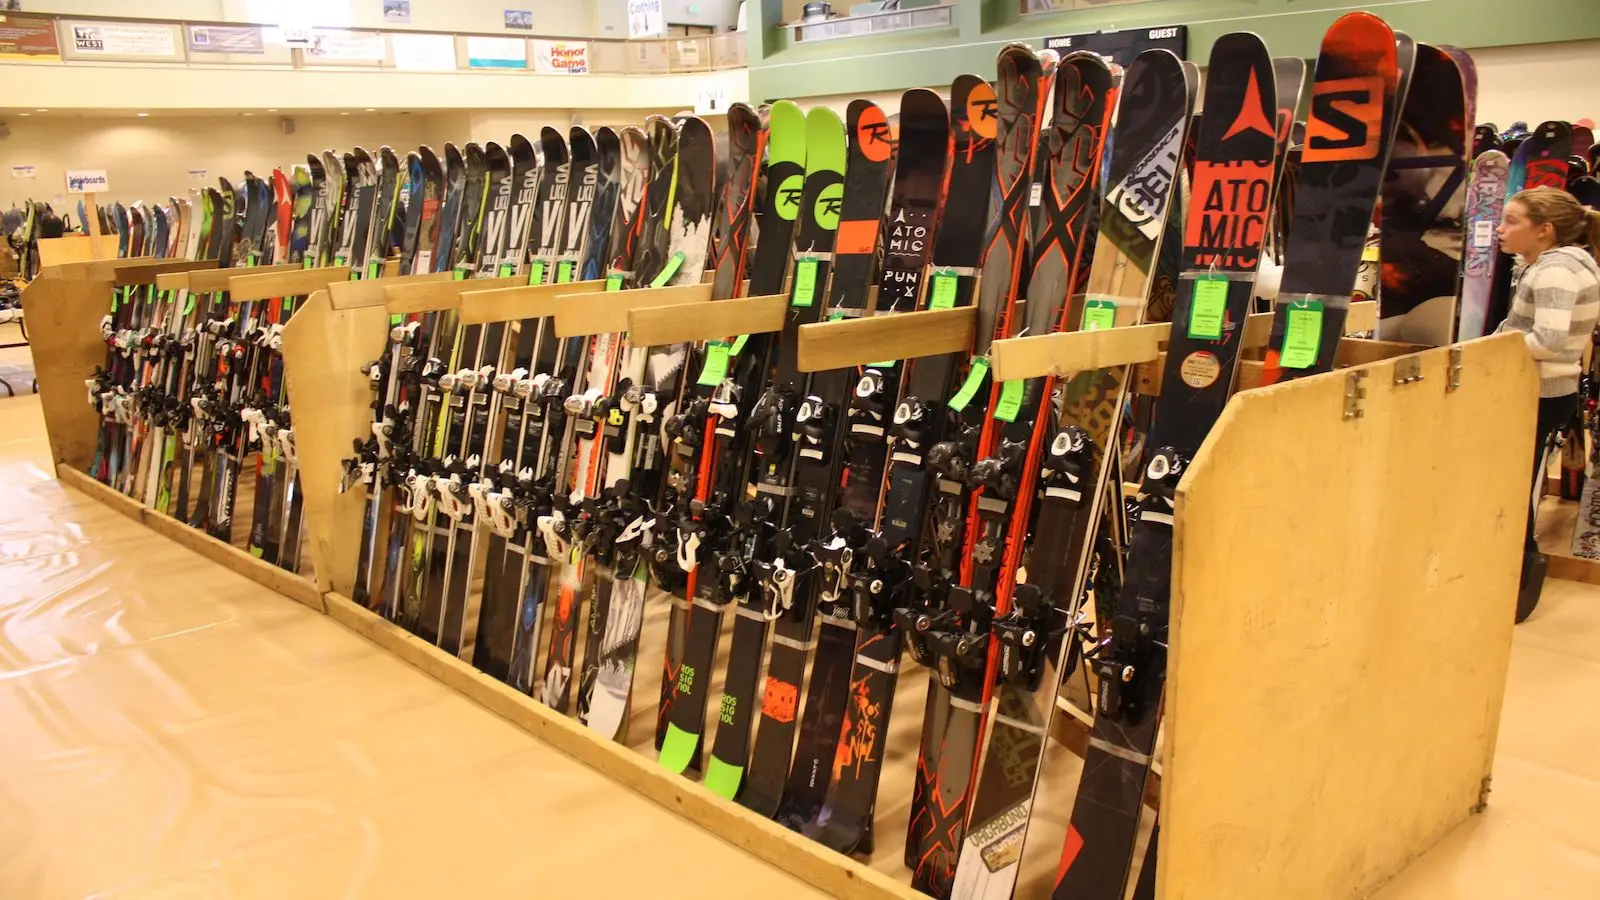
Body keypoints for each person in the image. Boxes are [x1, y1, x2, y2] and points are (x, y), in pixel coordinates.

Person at [1494, 186, 1600, 621]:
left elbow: (1551, 340)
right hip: (1544, 389)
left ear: (1544, 230)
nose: (1500, 230)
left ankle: (1518, 575)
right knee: (1516, 484)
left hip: (1538, 391)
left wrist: (1495, 345)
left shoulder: (1554, 271)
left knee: (1513, 488)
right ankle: (1512, 571)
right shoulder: (1560, 262)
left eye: (1512, 221)